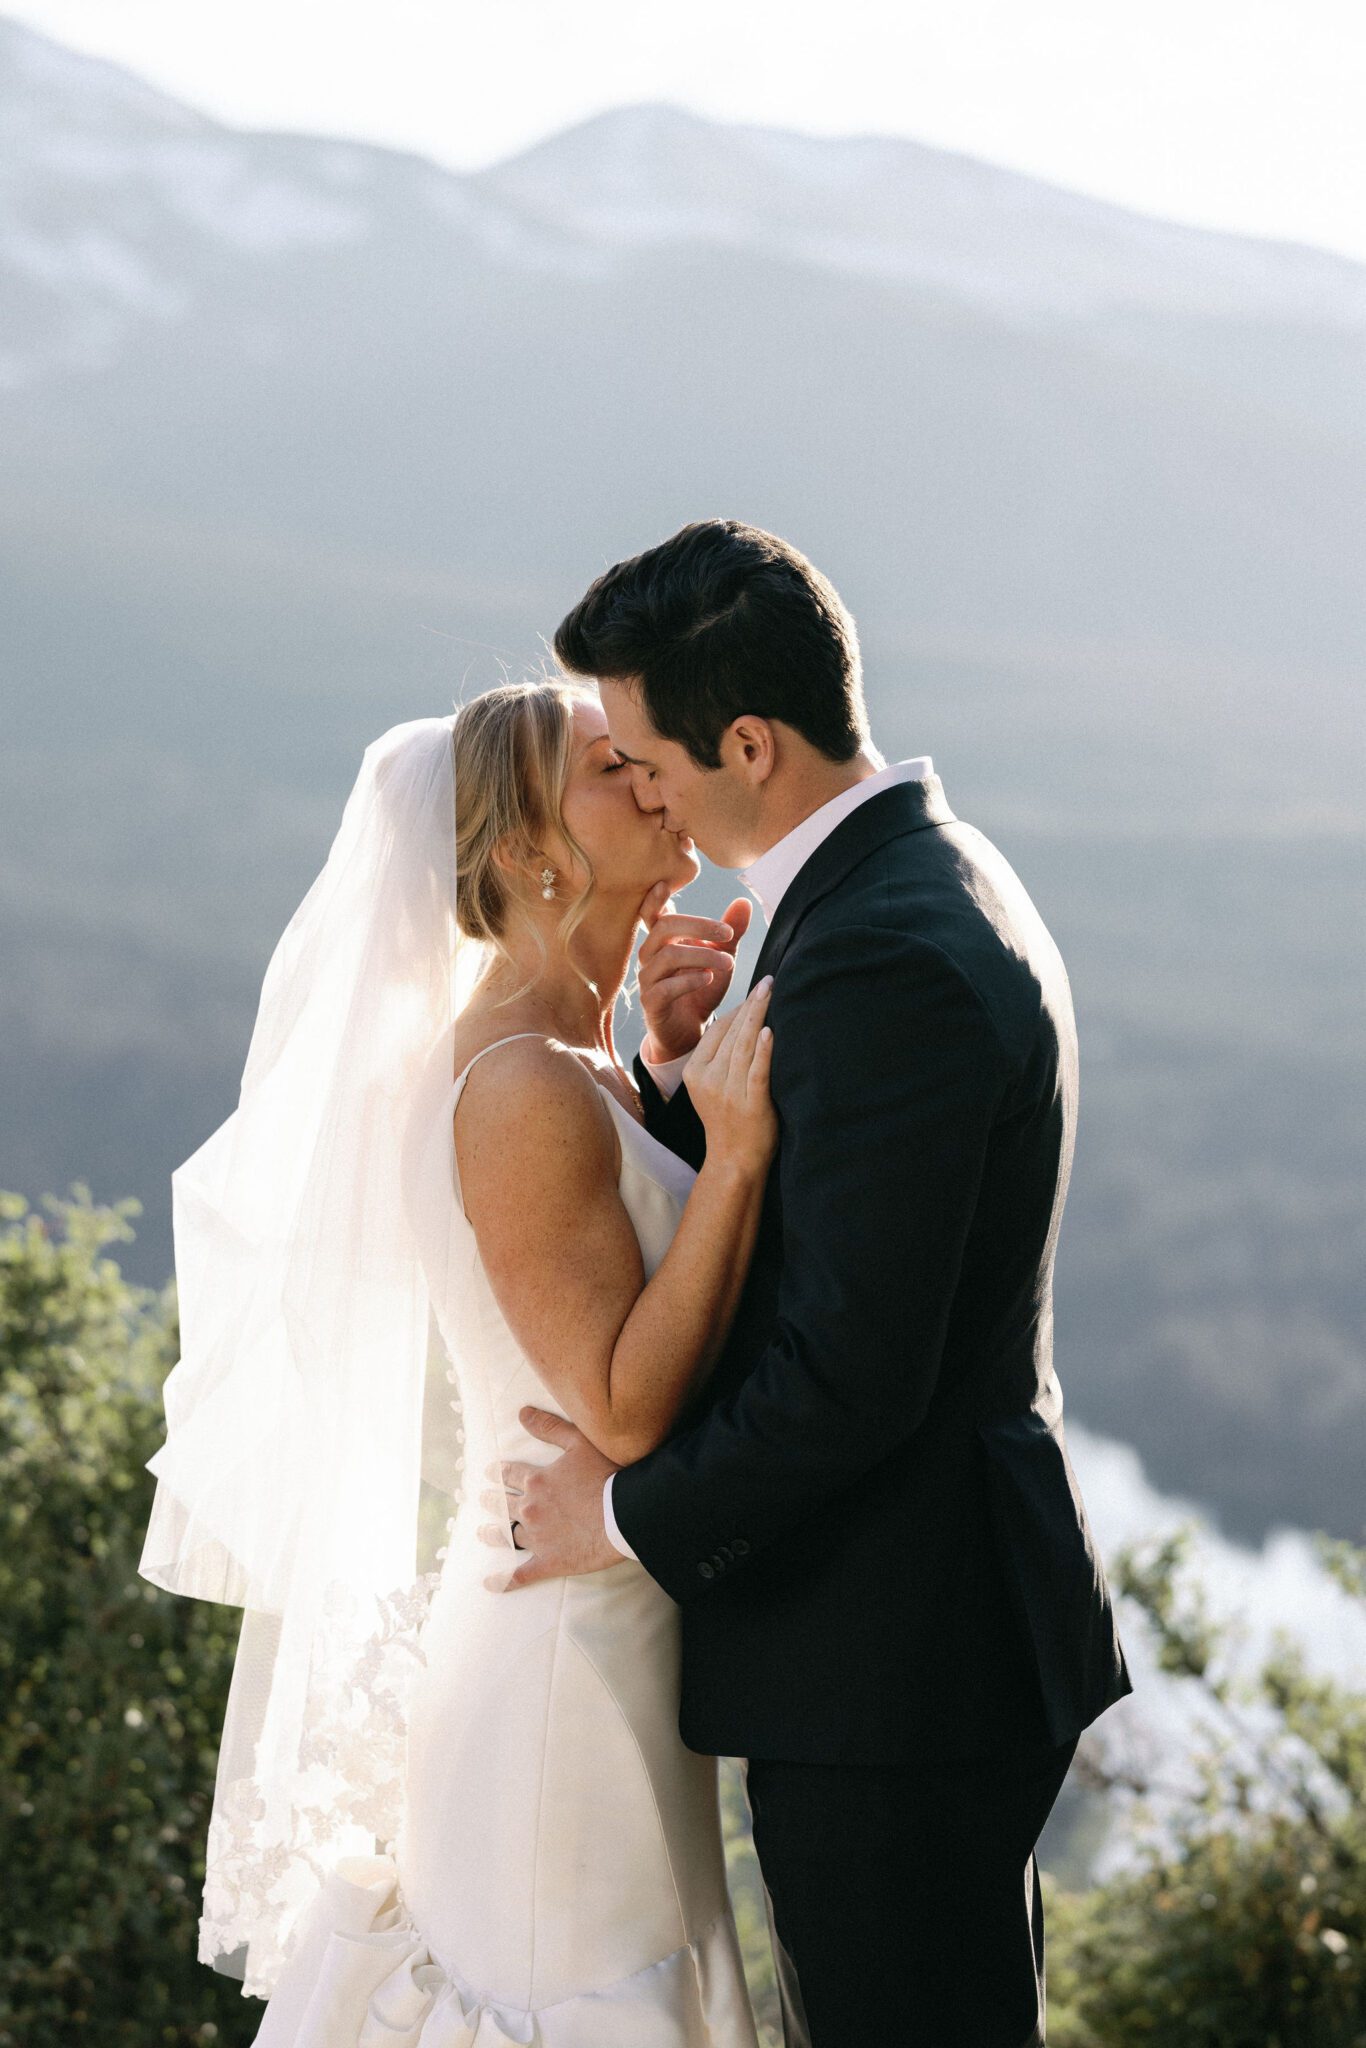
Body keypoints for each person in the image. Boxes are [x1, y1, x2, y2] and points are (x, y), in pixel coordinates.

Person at [486, 518, 1135, 2048]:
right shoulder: (895, 883)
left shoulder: (887, 952)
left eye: (646, 757)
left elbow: (850, 1370)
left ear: (751, 743)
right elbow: (817, 1222)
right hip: (911, 1642)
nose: (636, 789)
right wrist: (675, 1082)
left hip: (895, 1654)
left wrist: (622, 1517)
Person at [139, 680, 776, 2044]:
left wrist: (666, 1074)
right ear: (532, 856)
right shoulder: (521, 1084)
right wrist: (731, 1162)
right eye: (616, 769)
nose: (660, 781)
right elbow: (618, 1402)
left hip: (604, 1636)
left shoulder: (569, 1061)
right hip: (564, 1667)